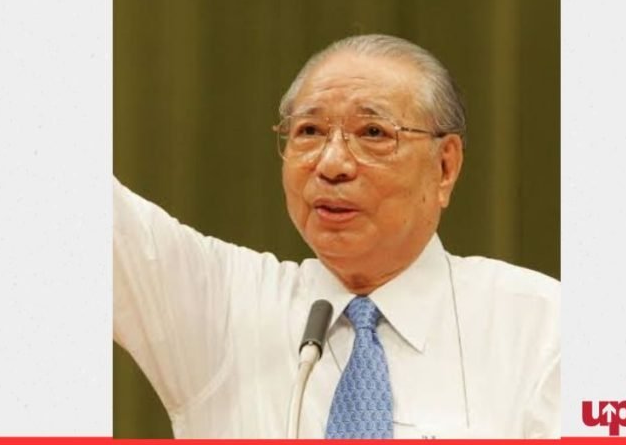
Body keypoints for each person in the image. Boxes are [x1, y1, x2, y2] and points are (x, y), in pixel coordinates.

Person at [113, 34, 560, 438]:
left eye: (373, 133)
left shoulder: (542, 327)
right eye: (309, 131)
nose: (332, 164)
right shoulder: (221, 307)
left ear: (445, 166)